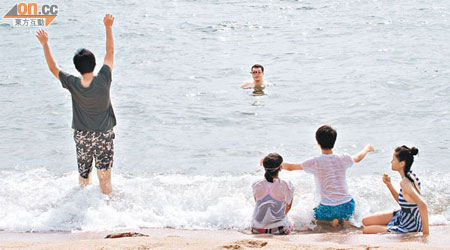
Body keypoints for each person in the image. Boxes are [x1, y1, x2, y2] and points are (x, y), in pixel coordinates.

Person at [36, 14, 116, 195]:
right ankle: (107, 212)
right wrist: (108, 27)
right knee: (105, 177)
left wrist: (45, 44)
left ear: (77, 68)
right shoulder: (104, 78)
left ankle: (81, 206)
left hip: (82, 136)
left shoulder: (72, 83)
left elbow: (53, 68)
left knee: (84, 175)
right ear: (95, 64)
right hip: (104, 135)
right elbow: (110, 53)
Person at [282, 125, 374, 227]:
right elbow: (357, 158)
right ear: (334, 141)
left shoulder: (315, 162)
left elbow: (290, 167)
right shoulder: (343, 158)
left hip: (327, 208)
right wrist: (367, 149)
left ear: (317, 142)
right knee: (344, 215)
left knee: (313, 218)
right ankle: (344, 222)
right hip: (347, 205)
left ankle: (330, 222)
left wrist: (270, 162)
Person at [362, 146, 429, 234]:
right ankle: (388, 227)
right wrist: (389, 184)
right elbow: (405, 202)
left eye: (393, 160)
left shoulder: (405, 182)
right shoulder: (411, 175)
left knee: (366, 230)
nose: (391, 162)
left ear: (402, 164)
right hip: (403, 214)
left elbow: (422, 204)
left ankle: (390, 229)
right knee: (365, 221)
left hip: (409, 225)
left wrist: (425, 234)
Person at [252, 153, 294, 235]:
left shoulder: (256, 184)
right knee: (290, 221)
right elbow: (288, 206)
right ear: (280, 168)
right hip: (279, 229)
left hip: (257, 228)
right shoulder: (286, 184)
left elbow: (257, 202)